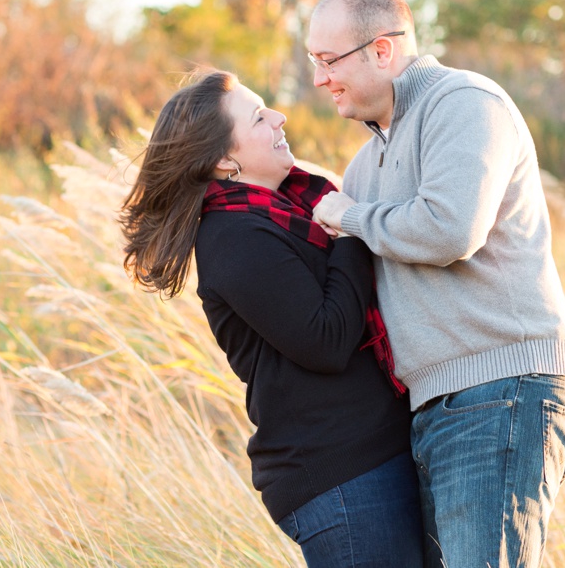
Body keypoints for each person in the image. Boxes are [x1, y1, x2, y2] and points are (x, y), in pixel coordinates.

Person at [306, 0, 565, 568]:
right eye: (315, 62)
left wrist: (352, 216)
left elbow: (450, 228)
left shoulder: (463, 103)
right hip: (435, 408)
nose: (319, 79)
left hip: (503, 389)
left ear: (382, 50)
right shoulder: (362, 165)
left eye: (328, 61)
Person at [119, 69, 424, 567]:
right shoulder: (234, 236)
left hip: (372, 458)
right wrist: (347, 229)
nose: (279, 117)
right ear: (224, 158)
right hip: (339, 473)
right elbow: (325, 340)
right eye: (259, 117)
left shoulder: (293, 208)